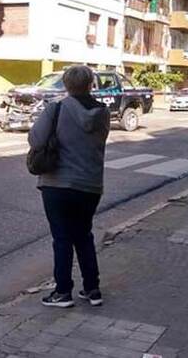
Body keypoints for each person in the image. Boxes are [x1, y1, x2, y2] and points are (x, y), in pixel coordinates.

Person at [28, 66, 111, 308]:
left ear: (66, 84)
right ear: (91, 85)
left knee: (62, 238)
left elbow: (35, 140)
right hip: (91, 185)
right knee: (84, 236)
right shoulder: (103, 112)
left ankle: (63, 292)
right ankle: (92, 289)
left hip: (58, 184)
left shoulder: (57, 108)